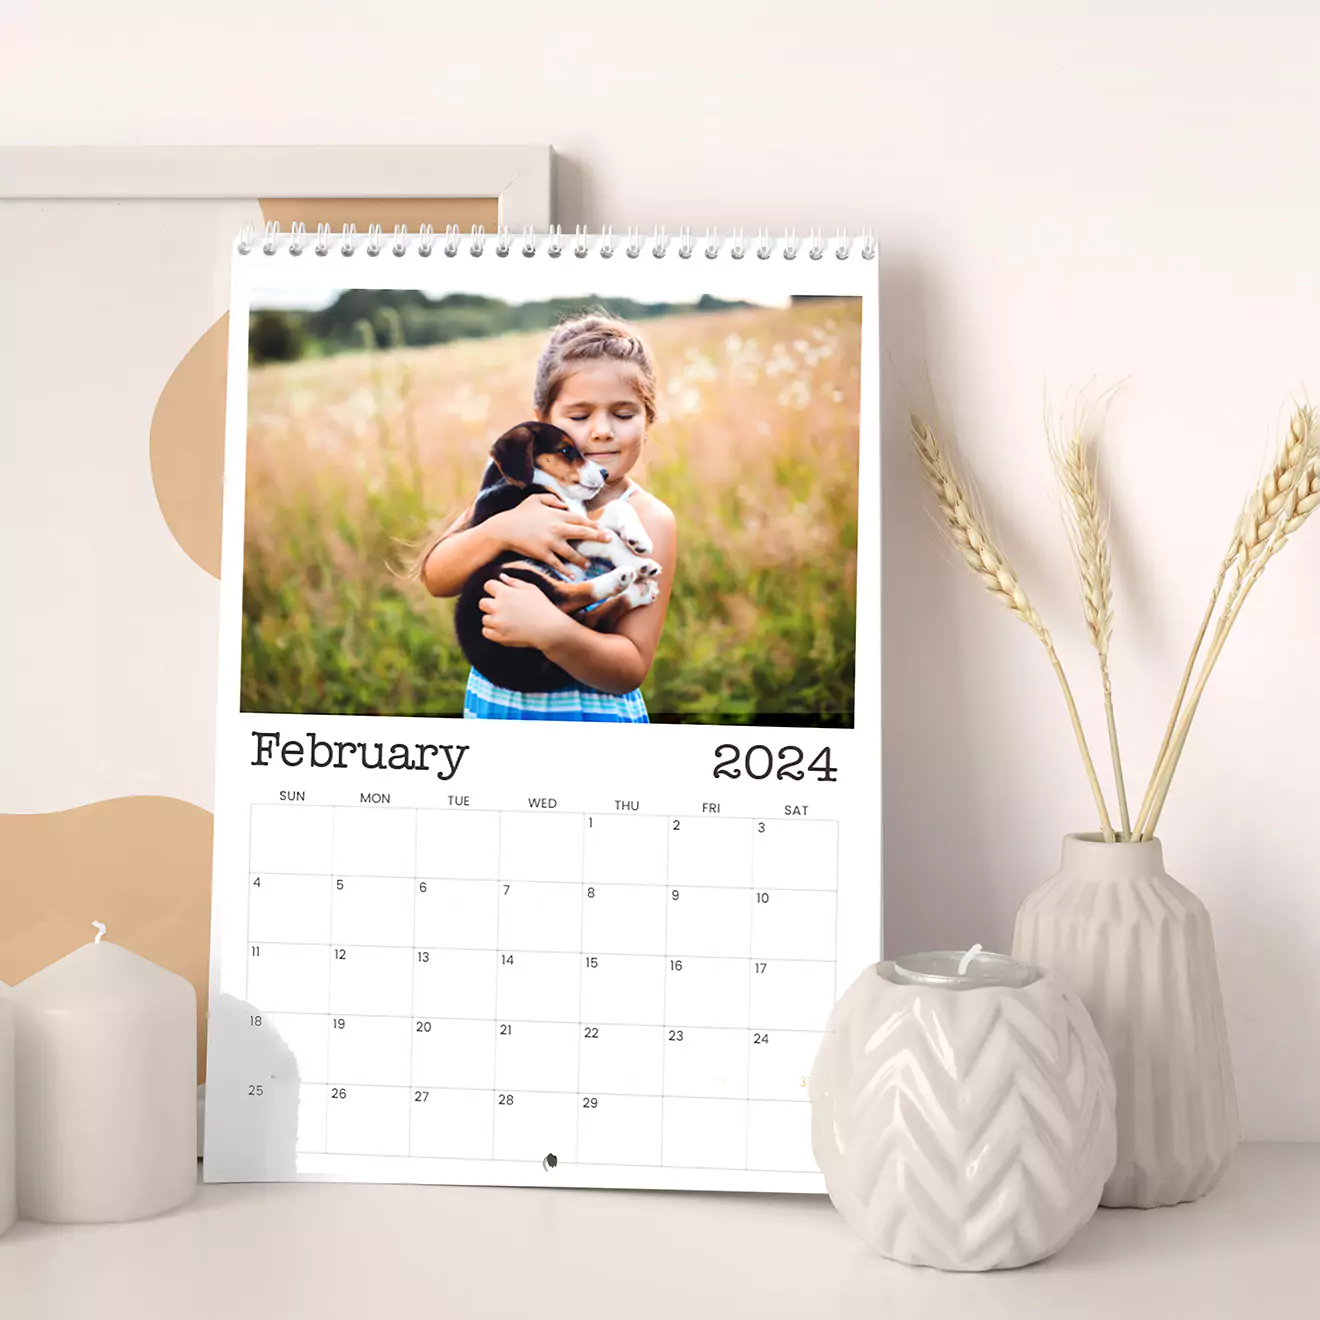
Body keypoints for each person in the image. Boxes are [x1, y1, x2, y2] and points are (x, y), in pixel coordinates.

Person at [418, 314, 677, 721]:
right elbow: (437, 578)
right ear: (542, 421)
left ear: (648, 421)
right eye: (579, 416)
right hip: (498, 709)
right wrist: (500, 531)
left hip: (589, 721)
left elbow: (630, 668)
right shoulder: (513, 494)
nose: (602, 431)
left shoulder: (649, 518)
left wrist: (552, 632)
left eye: (624, 414)